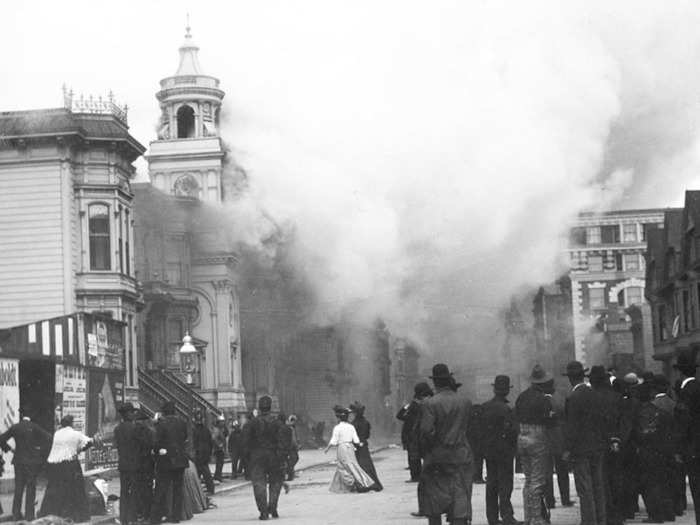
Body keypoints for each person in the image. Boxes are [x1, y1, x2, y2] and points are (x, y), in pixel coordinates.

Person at [418, 363, 474, 525]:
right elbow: (470, 428)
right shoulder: (465, 402)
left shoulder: (430, 403)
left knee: (434, 499)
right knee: (460, 494)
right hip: (462, 455)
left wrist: (429, 451)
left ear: (435, 382)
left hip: (438, 457)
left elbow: (426, 432)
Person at [562, 361, 606, 525]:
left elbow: (572, 427)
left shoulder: (573, 397)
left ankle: (589, 521)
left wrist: (567, 449)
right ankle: (601, 520)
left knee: (585, 489)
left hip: (581, 450)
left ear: (570, 379)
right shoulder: (595, 394)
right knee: (598, 487)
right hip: (597, 447)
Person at [515, 364, 555, 525]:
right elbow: (549, 420)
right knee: (538, 481)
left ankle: (528, 517)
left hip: (522, 436)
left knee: (529, 480)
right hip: (538, 436)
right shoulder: (543, 399)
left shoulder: (521, 397)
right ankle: (537, 519)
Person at [38, 415, 95, 522]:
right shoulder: (74, 433)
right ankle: (75, 515)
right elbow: (89, 442)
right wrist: (87, 444)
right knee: (74, 490)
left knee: (55, 489)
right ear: (71, 423)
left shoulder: (57, 433)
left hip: (55, 465)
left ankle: (52, 513)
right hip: (70, 464)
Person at [0, 407, 52, 521]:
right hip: (32, 462)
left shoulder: (16, 427)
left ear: (21, 415)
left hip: (18, 461)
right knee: (31, 488)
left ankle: (16, 515)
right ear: (30, 416)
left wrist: (9, 449)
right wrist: (39, 450)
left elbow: (1, 439)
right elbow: (49, 438)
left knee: (18, 487)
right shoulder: (34, 427)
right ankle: (29, 515)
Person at [481, 375, 520, 525]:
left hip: (489, 451)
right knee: (505, 484)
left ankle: (492, 517)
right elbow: (513, 431)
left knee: (491, 483)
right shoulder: (507, 409)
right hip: (505, 452)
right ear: (506, 391)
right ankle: (507, 516)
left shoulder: (485, 407)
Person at [588, 365, 624, 525]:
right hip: (616, 443)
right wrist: (616, 438)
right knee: (615, 479)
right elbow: (622, 421)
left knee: (600, 481)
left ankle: (604, 515)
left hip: (597, 443)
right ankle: (617, 515)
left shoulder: (591, 397)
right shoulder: (616, 397)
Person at [244, 396, 286, 520]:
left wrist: (247, 459)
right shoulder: (278, 423)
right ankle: (273, 507)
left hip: (257, 457)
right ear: (270, 407)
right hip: (274, 456)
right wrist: (281, 457)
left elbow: (245, 442)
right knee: (275, 483)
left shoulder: (251, 423)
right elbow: (283, 442)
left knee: (259, 484)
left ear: (259, 407)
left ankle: (263, 512)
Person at [324, 405, 379, 494]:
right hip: (350, 447)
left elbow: (334, 441)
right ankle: (362, 482)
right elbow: (356, 440)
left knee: (342, 466)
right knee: (353, 465)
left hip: (342, 448)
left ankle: (353, 484)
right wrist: (360, 444)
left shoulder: (337, 428)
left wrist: (327, 448)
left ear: (339, 418)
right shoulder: (351, 427)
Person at [150, 400, 189, 525]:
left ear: (164, 412)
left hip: (166, 460)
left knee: (161, 488)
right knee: (178, 489)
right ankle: (176, 516)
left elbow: (156, 442)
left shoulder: (161, 424)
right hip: (180, 460)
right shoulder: (182, 423)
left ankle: (155, 518)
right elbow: (184, 438)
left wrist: (157, 452)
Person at [674, 349, 700, 525]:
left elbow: (683, 424)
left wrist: (678, 450)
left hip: (693, 448)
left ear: (681, 372)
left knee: (697, 490)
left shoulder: (686, 393)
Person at [114, 402, 149, 525]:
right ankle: (132, 518)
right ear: (128, 414)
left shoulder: (117, 429)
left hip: (123, 465)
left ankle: (124, 518)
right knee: (134, 491)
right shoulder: (136, 428)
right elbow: (144, 444)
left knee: (124, 492)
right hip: (135, 465)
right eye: (132, 412)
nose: (134, 415)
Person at [397, 382, 433, 483]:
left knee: (414, 457)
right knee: (421, 455)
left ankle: (416, 476)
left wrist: (407, 406)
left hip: (413, 434)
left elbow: (400, 415)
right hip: (419, 433)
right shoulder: (426, 404)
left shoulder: (414, 406)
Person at [350, 401, 383, 491]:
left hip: (356, 447)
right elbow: (367, 435)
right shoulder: (366, 422)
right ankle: (373, 483)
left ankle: (363, 485)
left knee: (359, 465)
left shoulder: (353, 424)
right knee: (367, 465)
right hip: (364, 446)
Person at [134, 411, 156, 522]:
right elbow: (153, 447)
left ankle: (140, 512)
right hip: (147, 464)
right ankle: (147, 513)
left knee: (138, 489)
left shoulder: (134, 432)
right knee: (147, 489)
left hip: (137, 465)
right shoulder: (151, 433)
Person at [193, 410, 215, 495]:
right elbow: (210, 442)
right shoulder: (206, 430)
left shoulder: (194, 430)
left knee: (203, 472)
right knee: (203, 472)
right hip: (205, 453)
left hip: (199, 453)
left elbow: (194, 442)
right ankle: (207, 488)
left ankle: (208, 488)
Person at [212, 414, 228, 482]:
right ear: (218, 422)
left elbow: (226, 434)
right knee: (219, 463)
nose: (223, 423)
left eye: (223, 421)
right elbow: (214, 438)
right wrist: (219, 445)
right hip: (218, 449)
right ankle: (218, 476)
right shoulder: (216, 429)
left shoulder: (222, 429)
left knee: (220, 463)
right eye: (221, 422)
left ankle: (217, 475)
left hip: (221, 449)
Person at [285, 414, 300, 481]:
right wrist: (296, 446)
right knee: (294, 459)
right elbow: (293, 439)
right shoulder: (290, 428)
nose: (295, 422)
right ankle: (290, 473)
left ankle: (291, 472)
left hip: (290, 446)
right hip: (291, 447)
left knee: (293, 459)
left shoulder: (291, 427)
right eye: (294, 421)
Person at [228, 415, 244, 479]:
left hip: (241, 449)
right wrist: (230, 450)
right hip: (235, 450)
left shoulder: (242, 433)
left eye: (237, 427)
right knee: (234, 462)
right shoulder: (232, 434)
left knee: (243, 461)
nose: (236, 428)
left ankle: (240, 471)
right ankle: (234, 474)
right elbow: (230, 442)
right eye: (235, 427)